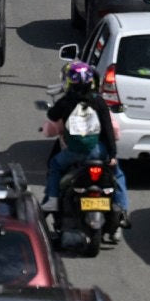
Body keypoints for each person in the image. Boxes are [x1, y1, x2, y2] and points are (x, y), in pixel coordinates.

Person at [43, 61, 129, 240]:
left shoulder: (66, 101)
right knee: (118, 175)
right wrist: (112, 155)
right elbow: (107, 129)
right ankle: (122, 210)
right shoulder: (98, 101)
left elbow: (51, 116)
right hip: (99, 152)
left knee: (55, 165)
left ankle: (52, 199)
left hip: (74, 152)